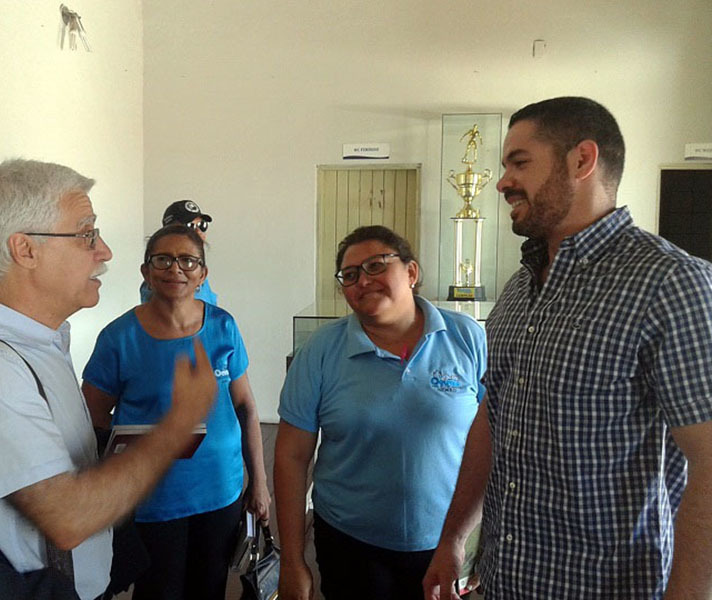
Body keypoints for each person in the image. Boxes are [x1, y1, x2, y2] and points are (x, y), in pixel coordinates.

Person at [423, 97, 712, 600]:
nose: (502, 181)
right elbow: (495, 417)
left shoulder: (671, 283)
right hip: (506, 580)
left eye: (520, 162)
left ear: (582, 160)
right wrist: (454, 536)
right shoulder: (519, 289)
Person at [0, 159, 216, 600]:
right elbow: (68, 518)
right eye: (87, 233)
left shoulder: (39, 342)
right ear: (25, 250)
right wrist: (176, 426)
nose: (105, 251)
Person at [275, 225, 486, 600]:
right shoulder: (321, 350)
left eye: (376, 266)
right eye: (350, 275)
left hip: (450, 541)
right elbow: (291, 457)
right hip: (350, 543)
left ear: (411, 272)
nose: (363, 281)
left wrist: (484, 539)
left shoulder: (466, 338)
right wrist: (292, 560)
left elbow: (496, 440)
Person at [82, 223, 270, 600]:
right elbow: (94, 422)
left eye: (188, 261)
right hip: (153, 497)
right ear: (146, 272)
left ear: (203, 274)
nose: (176, 269)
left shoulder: (223, 326)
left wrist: (259, 483)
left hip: (221, 489)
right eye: (163, 259)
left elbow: (246, 407)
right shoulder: (119, 337)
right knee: (159, 590)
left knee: (210, 586)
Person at [139, 199, 218, 305]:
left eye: (202, 225)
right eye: (190, 226)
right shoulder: (158, 276)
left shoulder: (197, 268)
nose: (198, 231)